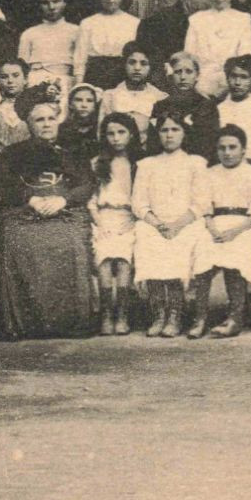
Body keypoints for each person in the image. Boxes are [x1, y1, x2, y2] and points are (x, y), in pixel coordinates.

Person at [0, 96, 96, 340]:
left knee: (69, 242)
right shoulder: (13, 154)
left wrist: (63, 200)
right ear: (29, 124)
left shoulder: (74, 151)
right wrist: (31, 199)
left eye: (51, 118)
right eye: (39, 120)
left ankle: (68, 322)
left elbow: (87, 183)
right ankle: (28, 322)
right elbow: (5, 187)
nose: (46, 124)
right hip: (25, 212)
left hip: (65, 211)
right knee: (19, 241)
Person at [132, 110, 208, 338]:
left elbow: (201, 202)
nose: (169, 135)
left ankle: (175, 314)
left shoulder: (196, 163)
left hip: (185, 222)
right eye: (164, 130)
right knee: (145, 236)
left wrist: (177, 225)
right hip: (155, 222)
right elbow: (139, 203)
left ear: (184, 133)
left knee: (179, 245)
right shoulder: (146, 164)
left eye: (175, 129)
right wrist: (157, 223)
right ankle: (158, 314)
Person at [187, 125, 251, 339]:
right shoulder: (209, 173)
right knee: (203, 253)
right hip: (215, 224)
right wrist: (212, 228)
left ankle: (235, 318)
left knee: (235, 255)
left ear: (243, 149)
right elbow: (204, 206)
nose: (227, 152)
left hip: (244, 225)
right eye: (222, 148)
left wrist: (234, 231)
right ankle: (200, 317)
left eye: (233, 147)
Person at [90, 112, 141, 335]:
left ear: (131, 135)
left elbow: (141, 201)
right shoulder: (98, 163)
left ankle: (122, 314)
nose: (116, 138)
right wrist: (99, 222)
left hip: (129, 220)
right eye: (110, 133)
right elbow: (91, 200)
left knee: (122, 260)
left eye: (121, 132)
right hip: (103, 218)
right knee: (103, 258)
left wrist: (132, 222)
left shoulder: (137, 164)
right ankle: (106, 314)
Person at [184, 0, 251, 100]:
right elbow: (189, 56)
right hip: (201, 83)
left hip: (232, 83)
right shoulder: (196, 19)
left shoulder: (243, 19)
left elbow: (246, 56)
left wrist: (229, 85)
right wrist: (198, 85)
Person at [75, 0, 141, 91]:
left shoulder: (135, 23)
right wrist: (80, 87)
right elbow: (80, 59)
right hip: (94, 78)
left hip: (123, 79)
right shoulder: (87, 23)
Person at [150, 53, 221, 163]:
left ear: (197, 75)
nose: (183, 77)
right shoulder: (161, 106)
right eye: (178, 72)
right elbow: (155, 144)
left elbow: (208, 145)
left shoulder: (207, 106)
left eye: (189, 72)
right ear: (171, 75)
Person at [17, 0, 79, 98]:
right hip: (35, 81)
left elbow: (80, 64)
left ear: (64, 3)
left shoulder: (76, 31)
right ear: (40, 5)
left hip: (65, 82)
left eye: (56, 1)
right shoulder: (29, 33)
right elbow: (22, 67)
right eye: (45, 3)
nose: (51, 7)